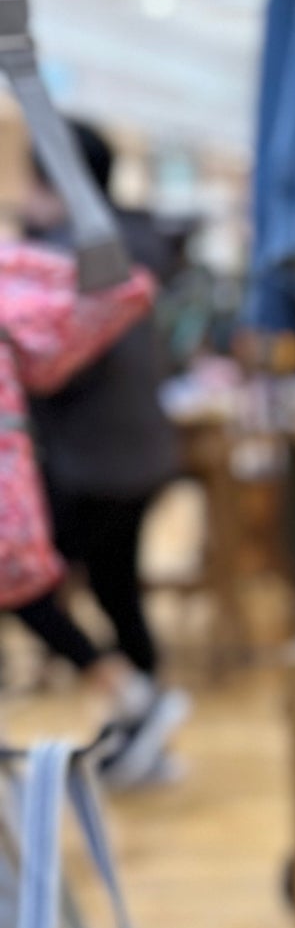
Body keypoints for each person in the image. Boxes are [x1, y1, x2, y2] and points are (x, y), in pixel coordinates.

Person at [12, 120, 189, 787]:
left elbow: (46, 367)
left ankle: (131, 697)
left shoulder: (58, 263)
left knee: (21, 583)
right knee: (117, 588)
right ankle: (142, 729)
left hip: (87, 459)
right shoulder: (135, 244)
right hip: (142, 451)